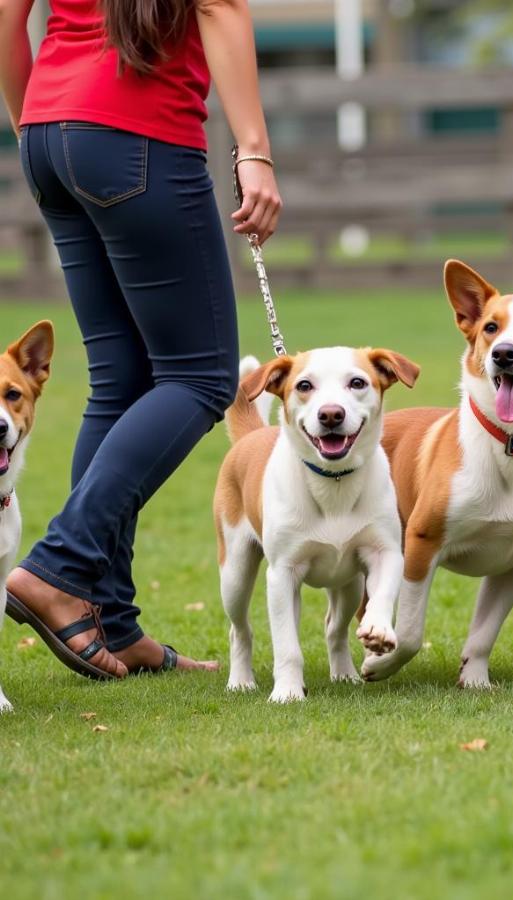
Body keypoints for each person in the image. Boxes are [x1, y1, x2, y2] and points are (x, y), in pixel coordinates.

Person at [0, 0, 281, 677]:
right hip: (136, 132)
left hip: (48, 131)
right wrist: (255, 152)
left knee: (121, 381)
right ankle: (58, 567)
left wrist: (39, 127)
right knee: (202, 378)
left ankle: (111, 621)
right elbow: (217, 5)